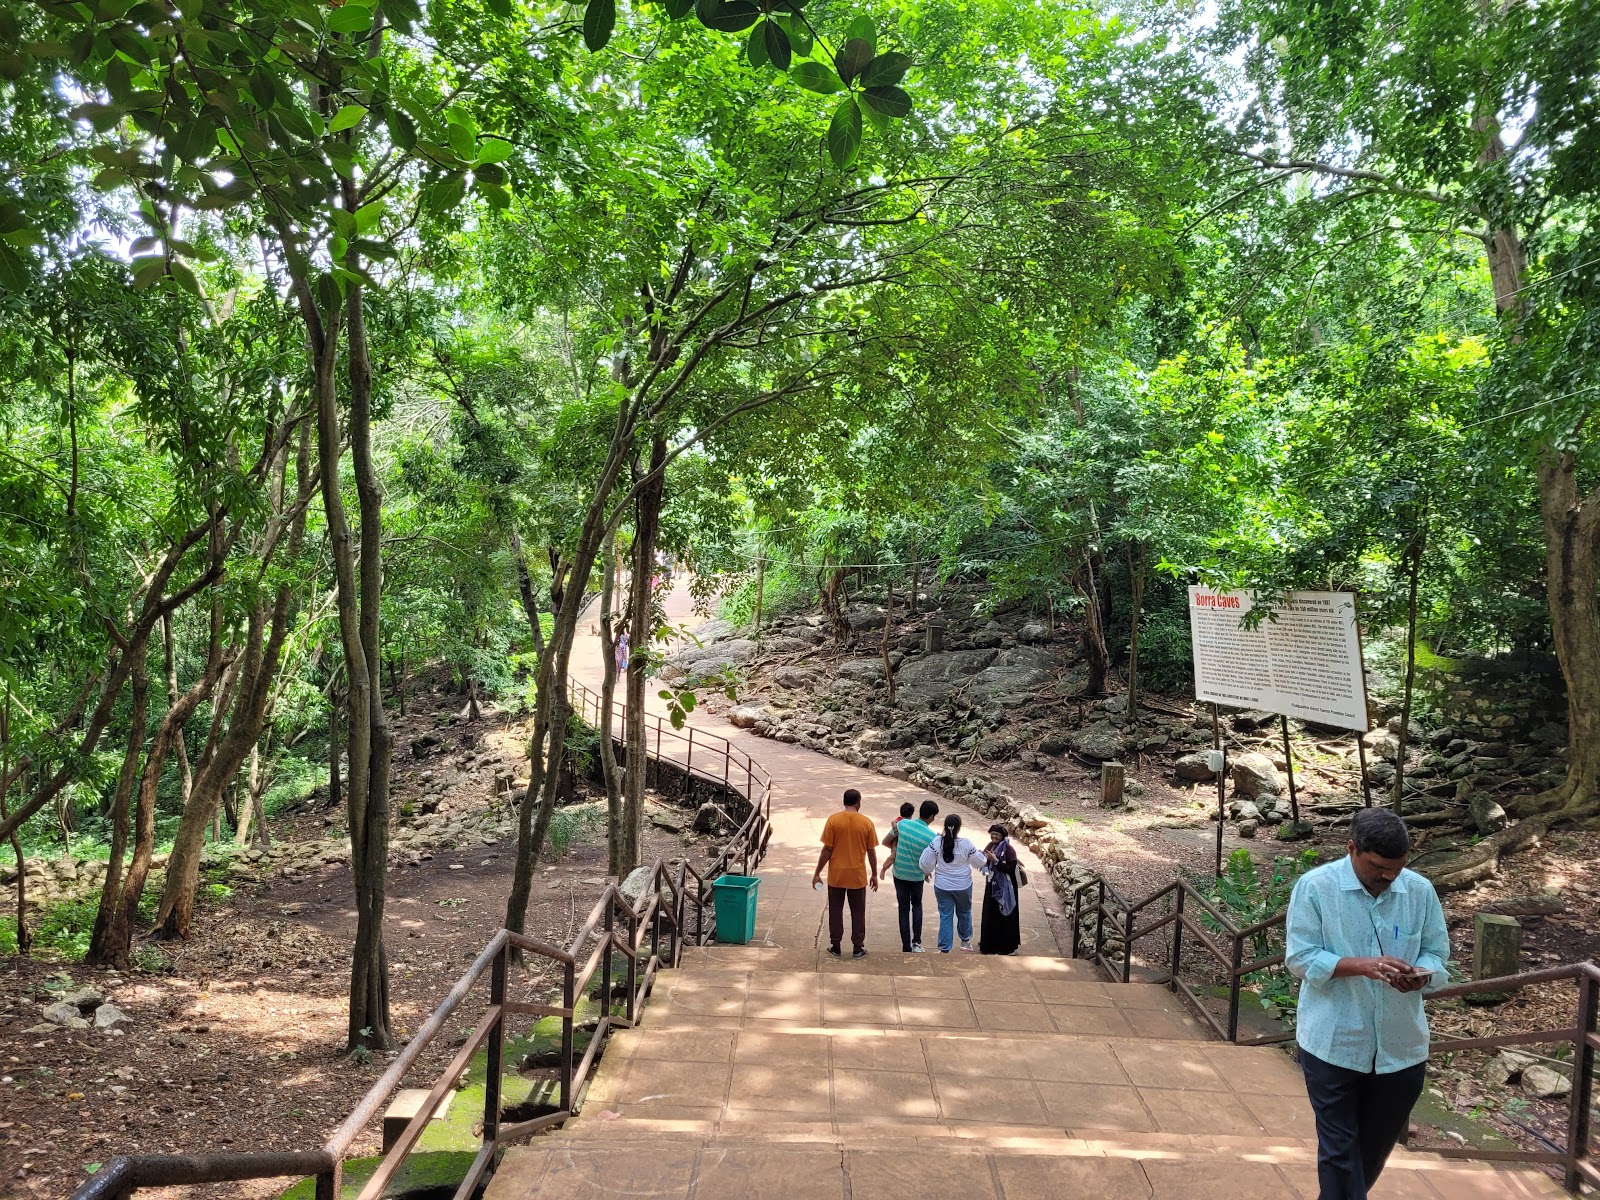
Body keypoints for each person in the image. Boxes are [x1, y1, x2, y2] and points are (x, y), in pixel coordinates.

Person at [1286, 808, 1449, 1200]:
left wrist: (1422, 976)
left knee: (1371, 1153)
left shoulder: (1420, 891)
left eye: (1397, 867)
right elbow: (1300, 958)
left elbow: (1437, 953)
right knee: (1340, 1151)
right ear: (1351, 849)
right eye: (1378, 866)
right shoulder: (1315, 888)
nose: (1389, 876)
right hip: (1332, 1042)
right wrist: (1361, 966)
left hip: (1401, 1047)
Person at [811, 788, 879, 959]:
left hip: (837, 875)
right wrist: (874, 874)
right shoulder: (866, 823)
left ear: (844, 802)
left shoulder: (833, 820)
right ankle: (857, 947)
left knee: (835, 910)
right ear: (858, 802)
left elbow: (827, 849)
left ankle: (836, 946)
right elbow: (871, 851)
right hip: (857, 875)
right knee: (858, 912)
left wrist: (817, 872)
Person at [918, 813, 988, 953]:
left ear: (945, 826)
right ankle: (965, 941)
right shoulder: (966, 844)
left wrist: (927, 871)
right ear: (959, 828)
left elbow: (925, 863)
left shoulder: (937, 842)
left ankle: (944, 948)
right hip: (963, 885)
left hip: (942, 885)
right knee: (964, 912)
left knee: (945, 916)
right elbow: (979, 862)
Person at [880, 798, 940, 953]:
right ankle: (917, 943)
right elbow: (930, 861)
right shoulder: (932, 837)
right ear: (932, 816)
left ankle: (906, 946)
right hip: (917, 876)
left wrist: (897, 849)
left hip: (899, 874)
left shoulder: (902, 824)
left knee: (903, 909)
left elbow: (886, 841)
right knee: (917, 905)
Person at [979, 823, 1022, 955]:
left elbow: (1010, 868)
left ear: (1003, 836)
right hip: (992, 886)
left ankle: (1006, 947)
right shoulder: (990, 846)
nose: (994, 836)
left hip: (1005, 888)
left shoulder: (1009, 849)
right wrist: (984, 863)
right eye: (992, 834)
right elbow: (984, 862)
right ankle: (989, 945)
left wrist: (996, 861)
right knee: (990, 914)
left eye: (997, 834)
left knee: (1005, 916)